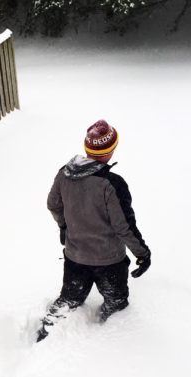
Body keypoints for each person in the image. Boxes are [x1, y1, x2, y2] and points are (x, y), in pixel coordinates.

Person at [36, 119, 151, 342]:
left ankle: (45, 335)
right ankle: (105, 339)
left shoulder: (64, 173)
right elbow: (123, 226)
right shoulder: (111, 183)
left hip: (75, 257)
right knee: (116, 302)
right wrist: (142, 254)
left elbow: (53, 204)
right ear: (111, 150)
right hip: (109, 261)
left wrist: (64, 226)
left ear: (87, 148)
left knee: (69, 299)